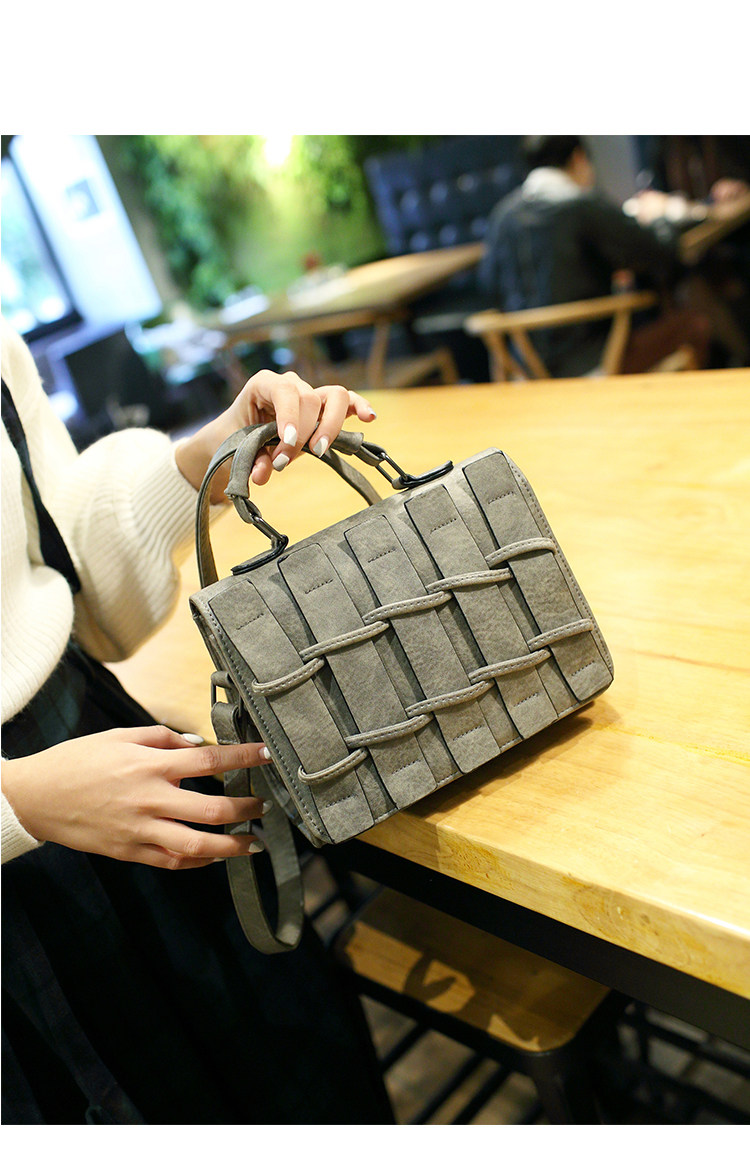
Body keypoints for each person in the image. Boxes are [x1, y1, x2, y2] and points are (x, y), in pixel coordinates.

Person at [1, 315, 395, 1124]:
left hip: (91, 746)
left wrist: (207, 460)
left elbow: (63, 577)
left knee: (279, 1069)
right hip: (45, 805)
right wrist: (19, 800)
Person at [479, 135, 712, 377]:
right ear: (578, 158)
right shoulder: (581, 205)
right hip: (593, 362)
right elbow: (660, 253)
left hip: (526, 370)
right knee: (693, 325)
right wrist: (660, 216)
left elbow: (489, 287)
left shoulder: (502, 216)